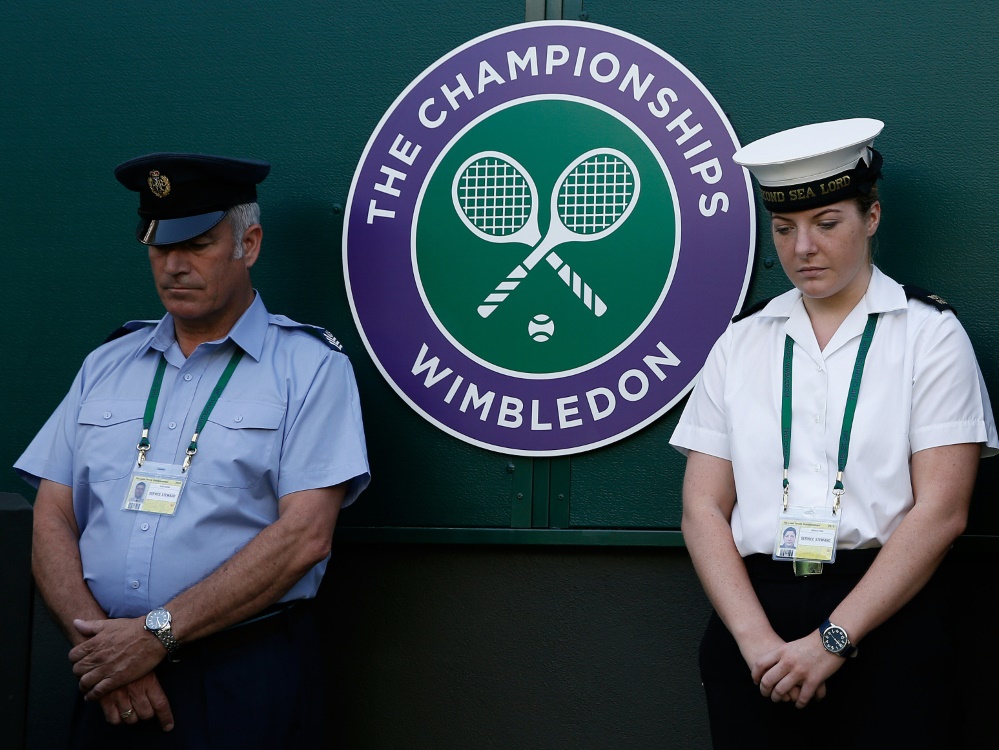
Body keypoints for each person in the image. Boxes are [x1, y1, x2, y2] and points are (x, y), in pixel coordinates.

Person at [15, 152, 370, 749]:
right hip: (105, 679)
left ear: (248, 244)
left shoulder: (309, 369)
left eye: (198, 244)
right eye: (159, 247)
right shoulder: (106, 366)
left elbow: (305, 537)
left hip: (239, 678)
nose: (174, 266)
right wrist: (102, 651)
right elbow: (52, 512)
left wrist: (152, 638)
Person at [669, 118, 997, 748]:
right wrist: (758, 644)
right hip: (755, 623)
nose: (803, 249)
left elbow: (943, 512)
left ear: (871, 217)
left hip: (885, 618)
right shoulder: (742, 341)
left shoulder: (928, 335)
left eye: (827, 223)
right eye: (785, 229)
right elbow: (702, 507)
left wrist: (832, 641)